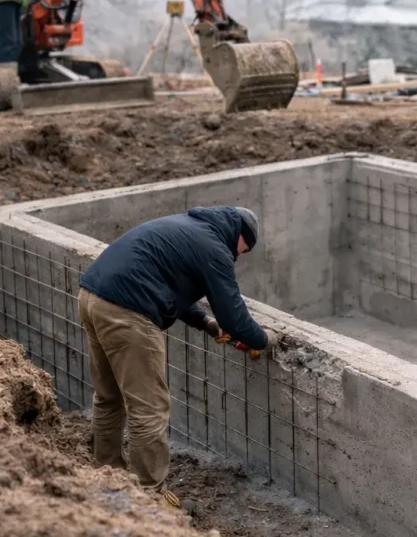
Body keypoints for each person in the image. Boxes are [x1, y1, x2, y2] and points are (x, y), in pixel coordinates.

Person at [76, 206, 279, 507]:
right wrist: (263, 339)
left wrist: (207, 324)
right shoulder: (215, 248)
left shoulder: (187, 228)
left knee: (108, 397)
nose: (240, 256)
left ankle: (108, 480)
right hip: (128, 313)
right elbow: (234, 316)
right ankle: (148, 499)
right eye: (244, 250)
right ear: (240, 236)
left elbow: (168, 286)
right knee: (150, 409)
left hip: (92, 299)